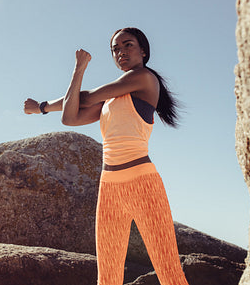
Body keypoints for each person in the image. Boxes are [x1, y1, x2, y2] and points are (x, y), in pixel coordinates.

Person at [24, 27, 188, 285]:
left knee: (169, 272)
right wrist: (48, 103)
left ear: (143, 51)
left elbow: (86, 97)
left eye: (128, 45)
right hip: (109, 188)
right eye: (115, 49)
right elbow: (70, 116)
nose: (121, 52)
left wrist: (48, 102)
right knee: (108, 277)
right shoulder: (112, 101)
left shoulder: (144, 78)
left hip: (143, 184)